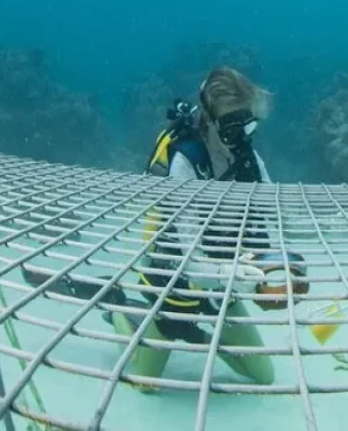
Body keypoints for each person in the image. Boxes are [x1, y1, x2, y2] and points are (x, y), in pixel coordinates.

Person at [113, 67, 282, 389]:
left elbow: (271, 214)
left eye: (249, 123)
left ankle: (200, 336)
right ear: (209, 121)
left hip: (223, 284)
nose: (243, 136)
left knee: (264, 375)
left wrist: (273, 266)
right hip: (175, 282)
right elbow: (189, 260)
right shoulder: (185, 162)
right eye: (232, 127)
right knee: (144, 383)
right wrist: (232, 271)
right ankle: (121, 309)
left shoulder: (248, 156)